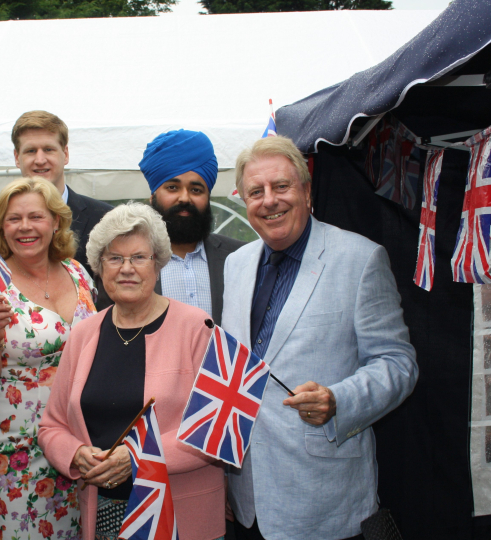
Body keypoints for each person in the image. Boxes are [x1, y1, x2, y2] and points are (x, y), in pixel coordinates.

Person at [222, 136, 418, 540]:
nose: (269, 200)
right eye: (255, 192)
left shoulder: (360, 259)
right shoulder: (236, 264)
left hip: (324, 501)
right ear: (245, 202)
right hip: (248, 500)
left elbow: (398, 363)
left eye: (281, 186)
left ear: (307, 192)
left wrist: (339, 400)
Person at [38, 202, 226, 540]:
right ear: (98, 267)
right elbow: (52, 426)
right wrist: (75, 454)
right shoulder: (83, 334)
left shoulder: (197, 328)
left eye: (139, 257)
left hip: (181, 516)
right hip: (105, 514)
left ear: (158, 265)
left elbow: (217, 427)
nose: (127, 268)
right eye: (114, 258)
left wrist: (138, 457)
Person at [0, 177, 97, 540]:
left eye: (36, 216)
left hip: (79, 441)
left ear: (56, 222)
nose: (25, 227)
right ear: (1, 227)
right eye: (13, 219)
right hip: (17, 448)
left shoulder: (78, 273)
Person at [0, 111, 112, 276]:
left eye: (48, 149)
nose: (40, 160)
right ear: (16, 157)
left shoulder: (104, 218)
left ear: (66, 154)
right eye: (31, 151)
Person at [140, 129, 245, 325]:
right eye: (173, 187)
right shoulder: (130, 263)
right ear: (153, 196)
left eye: (196, 190)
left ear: (208, 198)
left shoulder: (240, 258)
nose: (185, 198)